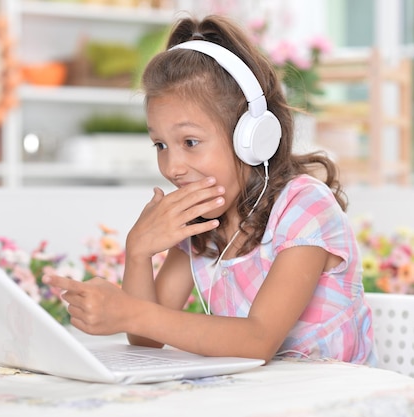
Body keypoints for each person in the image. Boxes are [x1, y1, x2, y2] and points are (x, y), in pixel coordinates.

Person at [43, 15, 376, 365]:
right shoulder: (201, 225)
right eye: (160, 145)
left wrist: (130, 312)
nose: (172, 167)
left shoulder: (304, 207)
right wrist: (138, 251)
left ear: (252, 138)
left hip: (338, 397)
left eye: (190, 141)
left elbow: (257, 339)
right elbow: (146, 340)